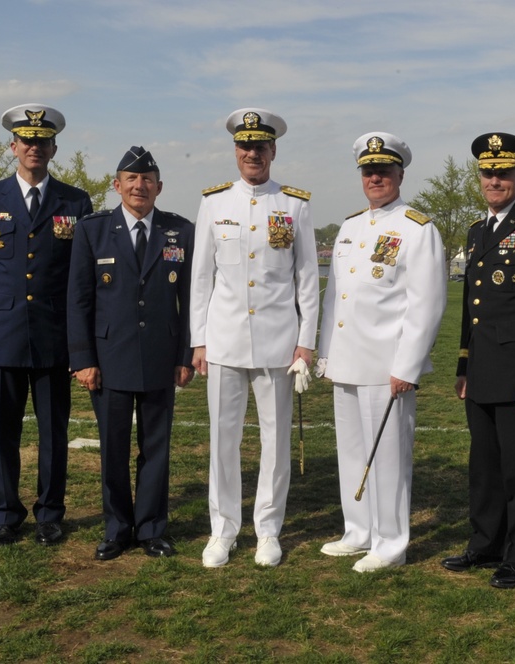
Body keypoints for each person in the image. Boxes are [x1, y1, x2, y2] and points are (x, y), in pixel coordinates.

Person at [189, 108, 319, 568]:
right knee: (223, 441)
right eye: (245, 146)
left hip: (277, 342)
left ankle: (268, 530)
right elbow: (201, 277)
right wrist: (199, 340)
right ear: (236, 151)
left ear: (273, 151)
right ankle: (222, 530)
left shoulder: (294, 204)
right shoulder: (214, 203)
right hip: (223, 340)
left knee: (275, 441)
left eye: (260, 146)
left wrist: (306, 342)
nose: (252, 153)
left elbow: (307, 279)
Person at [316, 132, 446, 572]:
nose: (375, 177)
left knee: (387, 458)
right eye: (368, 171)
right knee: (351, 451)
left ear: (400, 174)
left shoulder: (417, 228)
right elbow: (335, 297)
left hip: (387, 364)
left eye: (384, 170)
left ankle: (391, 542)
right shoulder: (351, 227)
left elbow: (427, 305)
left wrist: (407, 365)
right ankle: (359, 531)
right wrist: (325, 354)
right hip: (347, 359)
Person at [0, 103, 93, 548]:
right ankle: (5, 515)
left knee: (53, 432)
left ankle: (50, 514)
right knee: (4, 431)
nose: (34, 147)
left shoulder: (75, 201)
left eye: (42, 141)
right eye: (27, 140)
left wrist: (80, 340)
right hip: (2, 334)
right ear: (13, 146)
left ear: (54, 147)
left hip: (54, 334)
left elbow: (80, 276)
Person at [441, 133, 515, 588]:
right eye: (488, 173)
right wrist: (462, 367)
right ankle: (485, 543)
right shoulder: (477, 231)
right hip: (482, 369)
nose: (495, 180)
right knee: (484, 466)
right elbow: (472, 310)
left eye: (504, 173)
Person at [67, 146, 194, 561]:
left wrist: (185, 354)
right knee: (113, 448)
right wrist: (83, 359)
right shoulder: (93, 230)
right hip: (108, 359)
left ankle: (153, 529)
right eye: (131, 179)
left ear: (160, 186)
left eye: (148, 180)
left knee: (156, 448)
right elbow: (79, 300)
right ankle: (117, 528)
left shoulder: (179, 231)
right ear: (116, 184)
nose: (140, 186)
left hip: (161, 355)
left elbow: (191, 299)